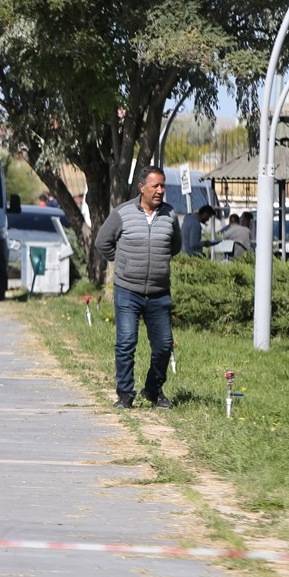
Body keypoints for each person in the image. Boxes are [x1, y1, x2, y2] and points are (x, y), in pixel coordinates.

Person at [94, 166, 182, 409]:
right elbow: (103, 242)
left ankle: (153, 390)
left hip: (159, 293)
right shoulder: (122, 213)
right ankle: (125, 394)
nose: (160, 190)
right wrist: (124, 262)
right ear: (141, 187)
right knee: (126, 342)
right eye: (155, 186)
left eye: (163, 185)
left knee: (164, 346)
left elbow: (174, 247)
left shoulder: (170, 215)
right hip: (127, 291)